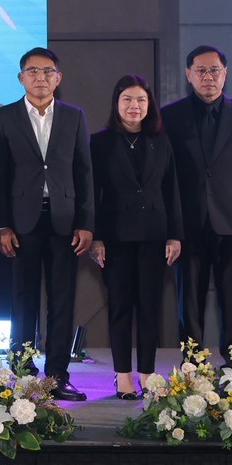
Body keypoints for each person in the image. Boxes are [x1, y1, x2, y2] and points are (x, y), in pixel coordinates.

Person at [0, 47, 94, 401]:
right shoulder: (4, 117)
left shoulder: (74, 116)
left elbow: (84, 173)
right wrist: (1, 225)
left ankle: (57, 376)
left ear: (58, 78)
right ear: (21, 78)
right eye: (33, 71)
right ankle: (22, 374)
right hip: (22, 223)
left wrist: (86, 223)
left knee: (62, 300)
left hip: (65, 221)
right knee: (23, 300)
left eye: (48, 71)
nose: (41, 78)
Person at [160, 45, 232, 357]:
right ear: (188, 75)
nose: (208, 77)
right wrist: (170, 228)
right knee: (189, 302)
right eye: (201, 70)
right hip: (188, 225)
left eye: (214, 70)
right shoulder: (170, 116)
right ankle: (192, 366)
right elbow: (164, 176)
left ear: (225, 74)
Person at [89, 75, 182, 399]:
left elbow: (171, 190)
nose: (134, 106)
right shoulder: (100, 142)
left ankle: (147, 372)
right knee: (120, 308)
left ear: (149, 104)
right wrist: (96, 237)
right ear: (117, 103)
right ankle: (123, 375)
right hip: (114, 238)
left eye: (141, 100)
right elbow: (92, 194)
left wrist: (175, 235)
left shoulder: (161, 139)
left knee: (150, 308)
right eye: (127, 99)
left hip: (155, 236)